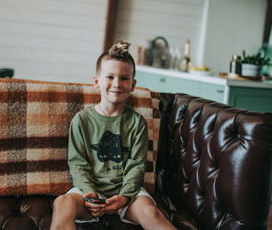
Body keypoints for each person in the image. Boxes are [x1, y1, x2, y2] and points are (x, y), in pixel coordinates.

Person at [50, 41, 177, 230]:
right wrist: (89, 192)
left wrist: (125, 196)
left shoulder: (137, 122)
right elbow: (77, 163)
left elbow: (136, 165)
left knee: (151, 212)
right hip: (90, 193)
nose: (117, 84)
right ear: (96, 81)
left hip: (128, 193)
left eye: (124, 78)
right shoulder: (82, 120)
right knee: (62, 202)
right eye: (110, 77)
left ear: (133, 85)